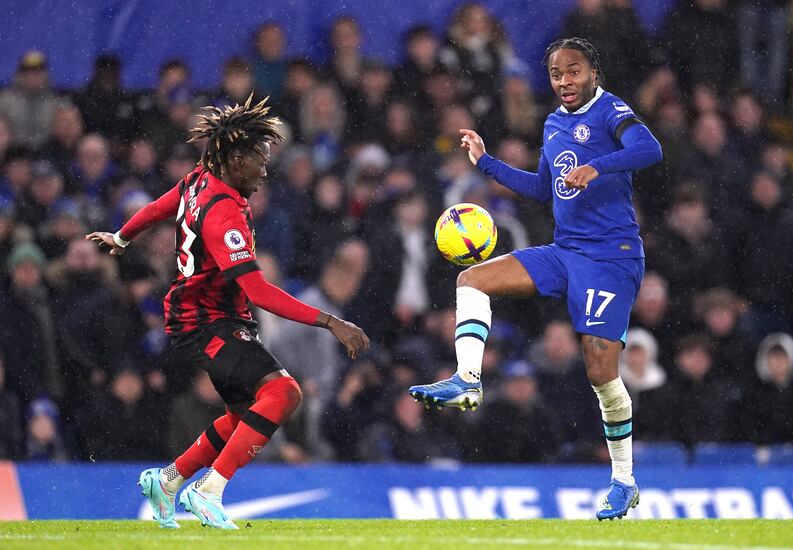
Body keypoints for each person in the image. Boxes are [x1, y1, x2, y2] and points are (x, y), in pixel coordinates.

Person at [86, 95, 368, 529]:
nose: (265, 170)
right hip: (206, 322)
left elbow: (164, 204)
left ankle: (169, 480)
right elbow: (256, 289)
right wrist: (331, 321)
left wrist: (123, 236)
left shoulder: (200, 179)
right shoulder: (222, 215)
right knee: (284, 393)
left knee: (242, 417)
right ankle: (210, 489)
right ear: (235, 159)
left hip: (203, 316)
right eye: (259, 159)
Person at [408, 37, 662, 520]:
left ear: (593, 72)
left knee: (599, 371)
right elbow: (543, 188)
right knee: (472, 281)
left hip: (612, 256)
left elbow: (649, 149)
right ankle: (467, 379)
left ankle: (624, 481)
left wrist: (597, 166)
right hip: (566, 251)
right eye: (556, 74)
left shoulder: (612, 110)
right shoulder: (552, 123)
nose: (564, 81)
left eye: (573, 71)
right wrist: (485, 163)